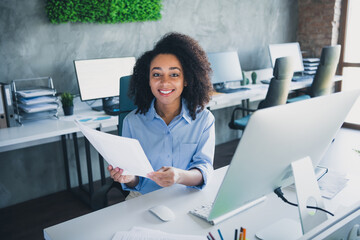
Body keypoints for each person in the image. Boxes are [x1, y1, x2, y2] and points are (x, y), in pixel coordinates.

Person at [107, 32, 215, 198]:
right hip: (142, 198)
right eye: (157, 74)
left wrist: (179, 176)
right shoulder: (132, 122)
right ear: (148, 80)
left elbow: (204, 168)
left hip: (185, 196)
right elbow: (135, 182)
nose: (164, 82)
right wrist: (128, 178)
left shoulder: (204, 119)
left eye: (174, 74)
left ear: (186, 79)